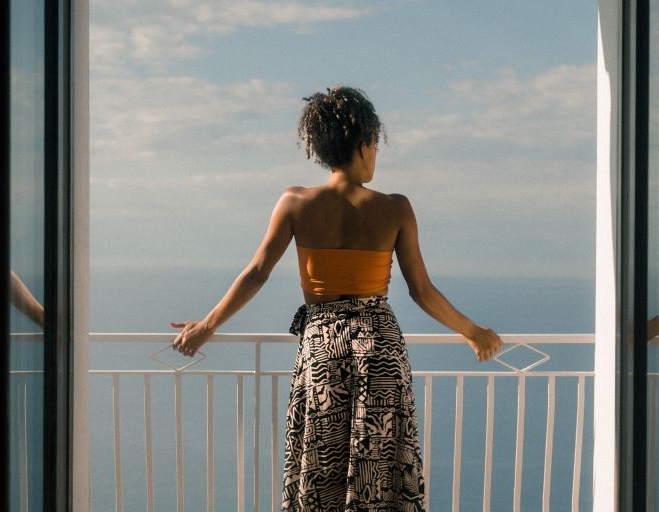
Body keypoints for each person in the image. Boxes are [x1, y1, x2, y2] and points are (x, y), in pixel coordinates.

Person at [170, 85, 504, 511]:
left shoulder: (295, 202)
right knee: (379, 466)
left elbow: (257, 274)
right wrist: (473, 332)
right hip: (379, 347)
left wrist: (207, 325)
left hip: (324, 348)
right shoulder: (396, 208)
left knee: (320, 466)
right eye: (375, 146)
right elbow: (421, 291)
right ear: (364, 144)